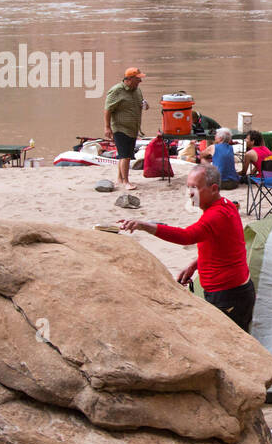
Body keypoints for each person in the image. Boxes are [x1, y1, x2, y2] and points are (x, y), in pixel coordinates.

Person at [119, 164, 256, 331]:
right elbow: (225, 245)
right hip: (231, 291)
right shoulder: (227, 205)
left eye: (195, 188)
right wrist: (194, 265)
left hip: (228, 295)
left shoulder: (216, 215)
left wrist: (145, 226)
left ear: (213, 189)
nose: (190, 193)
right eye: (188, 187)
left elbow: (187, 236)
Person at [104, 67, 149, 191]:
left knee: (126, 154)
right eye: (138, 79)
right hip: (120, 127)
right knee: (125, 156)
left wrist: (145, 105)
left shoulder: (137, 91)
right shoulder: (116, 91)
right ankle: (126, 182)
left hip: (133, 128)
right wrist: (107, 127)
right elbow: (108, 109)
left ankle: (120, 178)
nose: (140, 81)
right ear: (129, 79)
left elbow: (141, 103)